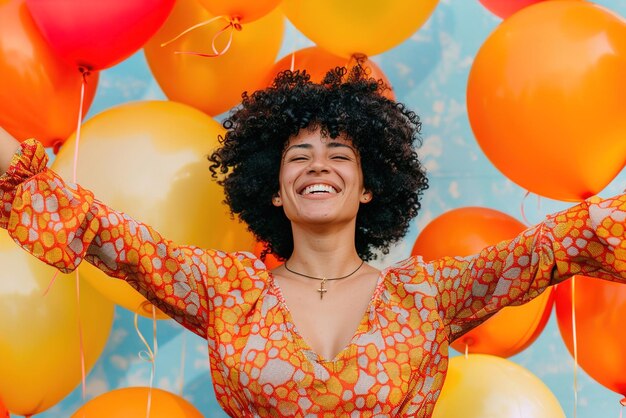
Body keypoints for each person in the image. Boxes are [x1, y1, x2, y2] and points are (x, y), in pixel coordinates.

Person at [0, 67, 624, 418]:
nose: (318, 166)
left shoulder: (427, 294)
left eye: (339, 155)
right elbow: (105, 234)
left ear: (370, 186)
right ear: (273, 190)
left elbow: (560, 244)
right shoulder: (228, 289)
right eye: (299, 155)